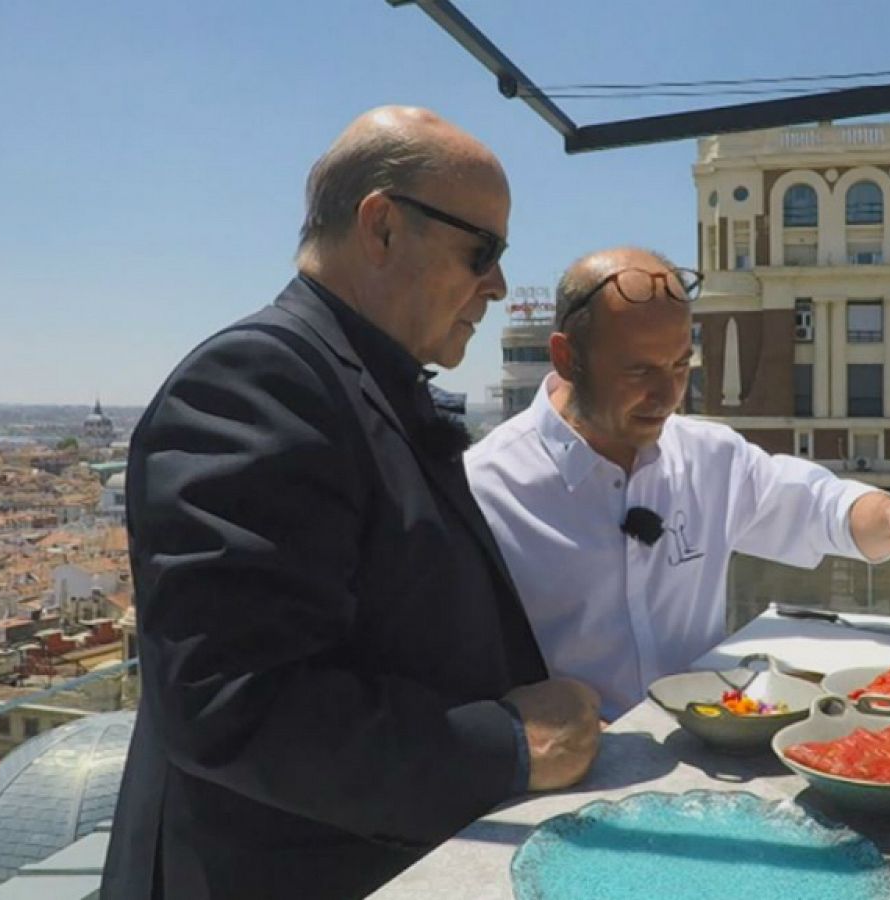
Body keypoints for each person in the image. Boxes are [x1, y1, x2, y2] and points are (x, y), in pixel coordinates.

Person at [102, 107, 600, 900]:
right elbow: (236, 702)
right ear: (382, 227)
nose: (499, 285)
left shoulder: (354, 383)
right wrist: (509, 743)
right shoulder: (256, 382)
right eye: (484, 250)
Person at [465, 247, 890, 718]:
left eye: (681, 364)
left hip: (703, 763)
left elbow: (822, 508)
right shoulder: (485, 490)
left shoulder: (710, 457)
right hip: (570, 786)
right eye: (639, 370)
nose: (668, 394)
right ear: (566, 357)